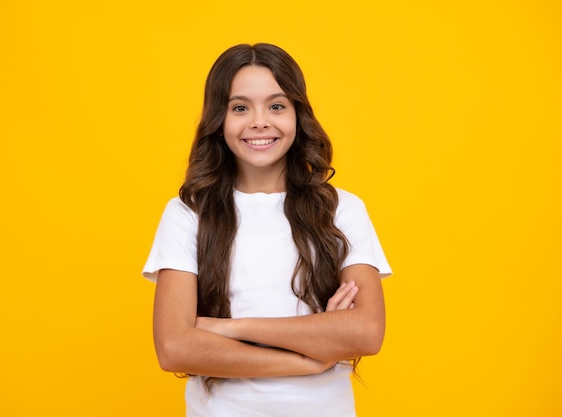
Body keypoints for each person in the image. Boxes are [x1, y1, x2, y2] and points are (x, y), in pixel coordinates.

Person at [142, 43, 392, 417]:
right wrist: (310, 354)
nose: (259, 121)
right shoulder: (188, 213)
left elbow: (367, 332)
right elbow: (175, 348)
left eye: (276, 105)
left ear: (297, 115)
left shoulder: (342, 210)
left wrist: (232, 328)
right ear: (218, 120)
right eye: (240, 107)